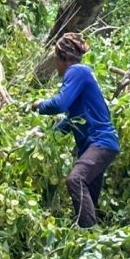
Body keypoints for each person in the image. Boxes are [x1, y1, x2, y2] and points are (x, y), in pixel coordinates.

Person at [33, 33, 120, 228]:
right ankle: (92, 240)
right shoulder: (80, 75)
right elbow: (70, 120)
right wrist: (48, 136)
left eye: (55, 58)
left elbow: (60, 104)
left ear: (62, 57)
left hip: (100, 142)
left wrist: (39, 105)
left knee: (75, 180)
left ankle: (88, 234)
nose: (55, 64)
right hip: (100, 145)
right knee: (89, 198)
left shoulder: (77, 71)